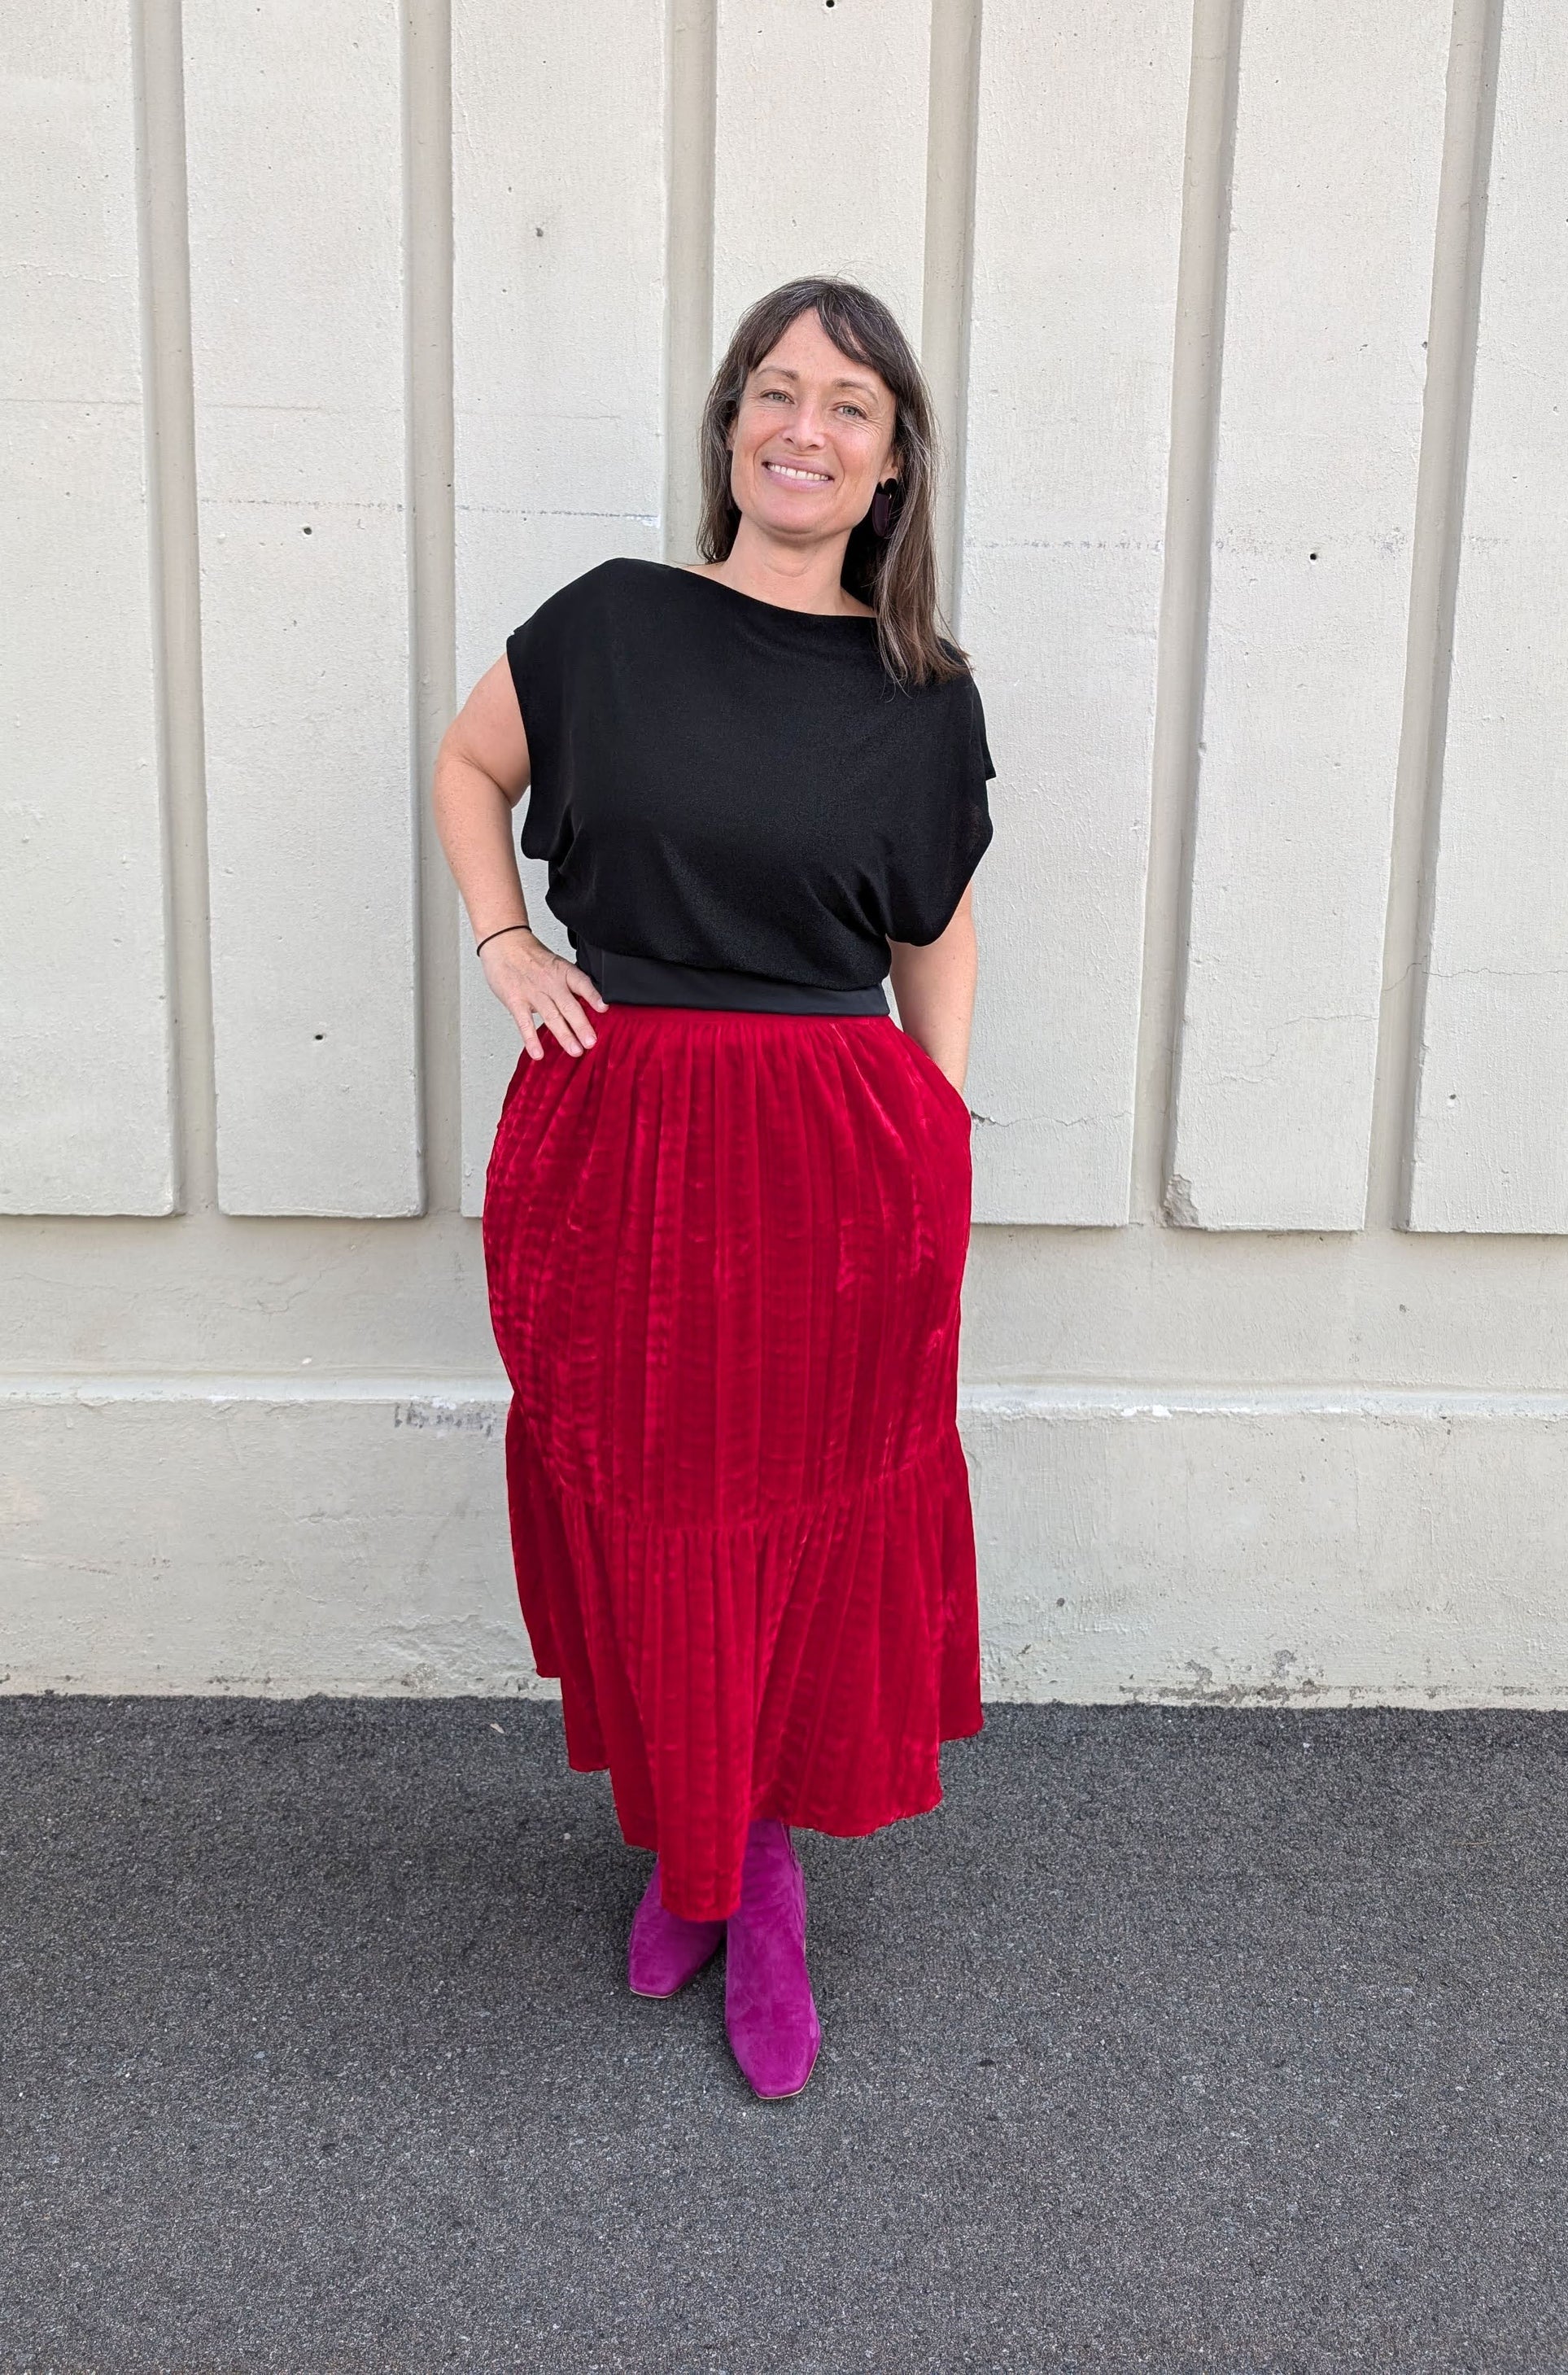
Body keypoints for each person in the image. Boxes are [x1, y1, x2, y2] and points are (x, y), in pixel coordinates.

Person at [431, 276, 995, 2101]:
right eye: (774, 392)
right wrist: (507, 937)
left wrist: (938, 1127)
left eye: (847, 404)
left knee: (797, 1513)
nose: (802, 428)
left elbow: (935, 925)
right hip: (619, 1136)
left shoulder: (918, 693)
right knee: (654, 1507)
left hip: (836, 1158)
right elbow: (465, 762)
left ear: (892, 461)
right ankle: (697, 1836)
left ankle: (752, 1873)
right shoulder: (610, 626)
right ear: (729, 426)